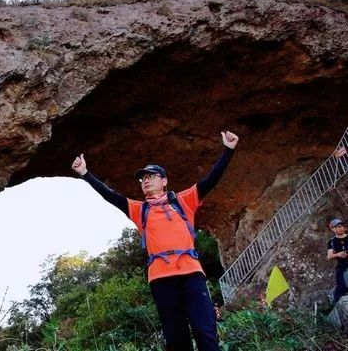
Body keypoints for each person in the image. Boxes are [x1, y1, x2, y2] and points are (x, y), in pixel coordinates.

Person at [71, 131, 238, 351]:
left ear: (164, 181)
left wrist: (228, 151)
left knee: (205, 330)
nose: (146, 180)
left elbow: (211, 180)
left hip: (190, 273)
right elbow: (111, 195)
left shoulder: (183, 201)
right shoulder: (140, 210)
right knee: (176, 339)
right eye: (143, 178)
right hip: (161, 278)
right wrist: (85, 173)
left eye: (151, 176)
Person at [327, 218, 348, 303]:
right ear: (333, 229)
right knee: (342, 288)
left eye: (341, 226)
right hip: (342, 266)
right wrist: (338, 254)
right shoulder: (332, 242)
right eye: (338, 227)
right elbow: (329, 256)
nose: (341, 228)